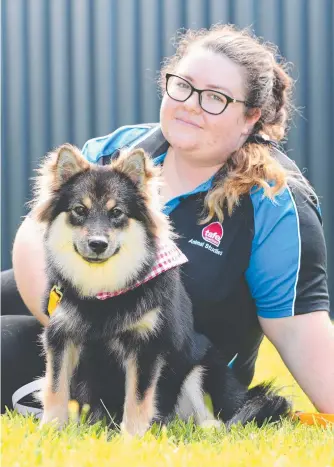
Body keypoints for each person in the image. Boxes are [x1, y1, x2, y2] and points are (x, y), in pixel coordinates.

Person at [1, 24, 333, 416]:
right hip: (81, 327)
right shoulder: (121, 150)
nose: (191, 104)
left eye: (215, 98)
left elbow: (299, 328)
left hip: (169, 364)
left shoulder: (276, 200)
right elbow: (34, 235)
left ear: (250, 117)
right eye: (183, 86)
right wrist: (68, 322)